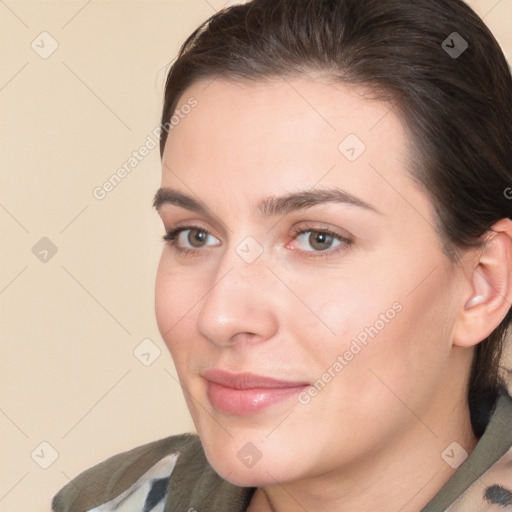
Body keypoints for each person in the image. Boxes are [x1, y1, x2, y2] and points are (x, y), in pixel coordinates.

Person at [51, 0, 512, 510]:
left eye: (318, 238)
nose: (220, 316)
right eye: (194, 235)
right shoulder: (108, 500)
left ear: (481, 285)